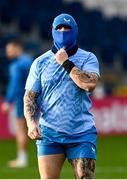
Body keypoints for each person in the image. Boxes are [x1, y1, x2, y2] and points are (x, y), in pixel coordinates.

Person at [24, 13, 100, 179]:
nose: (63, 32)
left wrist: (66, 62)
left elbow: (89, 85)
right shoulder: (40, 62)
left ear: (75, 31)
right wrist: (30, 123)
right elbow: (30, 97)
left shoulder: (88, 58)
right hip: (49, 134)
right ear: (52, 31)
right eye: (59, 28)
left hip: (81, 133)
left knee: (85, 178)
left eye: (67, 28)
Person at [1, 40, 32, 168]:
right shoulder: (29, 60)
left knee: (21, 129)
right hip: (36, 98)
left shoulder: (16, 65)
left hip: (22, 99)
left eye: (9, 50)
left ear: (17, 48)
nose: (7, 53)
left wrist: (8, 101)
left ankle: (22, 159)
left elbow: (14, 85)